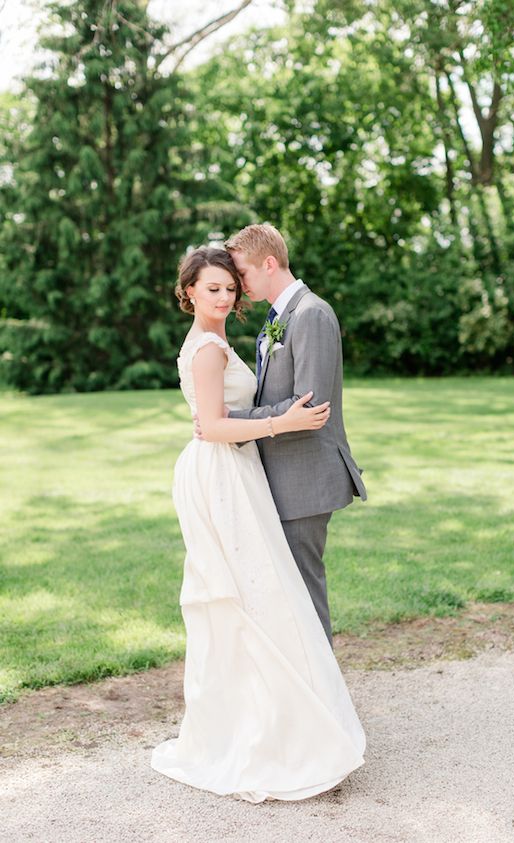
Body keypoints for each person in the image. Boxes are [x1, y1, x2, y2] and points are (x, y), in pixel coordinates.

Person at [150, 246, 365, 803]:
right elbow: (213, 426)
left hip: (240, 471)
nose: (224, 297)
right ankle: (269, 724)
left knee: (262, 596)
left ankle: (289, 716)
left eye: (229, 288)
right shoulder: (207, 351)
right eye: (213, 288)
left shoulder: (222, 342)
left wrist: (280, 420)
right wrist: (284, 420)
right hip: (222, 474)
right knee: (245, 597)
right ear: (189, 292)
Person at [223, 224, 367, 646]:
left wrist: (237, 420)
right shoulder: (277, 318)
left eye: (243, 274)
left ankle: (323, 703)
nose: (239, 285)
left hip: (305, 478)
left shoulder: (311, 314)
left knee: (304, 594)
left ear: (269, 263)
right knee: (286, 595)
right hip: (282, 476)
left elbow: (311, 406)